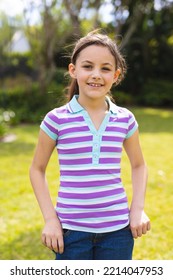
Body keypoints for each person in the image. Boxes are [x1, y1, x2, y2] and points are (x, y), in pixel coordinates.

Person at [29, 30, 151, 260]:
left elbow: (139, 165)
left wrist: (137, 209)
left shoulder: (125, 119)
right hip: (70, 232)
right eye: (88, 66)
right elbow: (37, 169)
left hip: (118, 232)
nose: (96, 74)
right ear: (73, 71)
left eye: (105, 68)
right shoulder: (56, 119)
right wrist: (50, 219)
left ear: (116, 75)